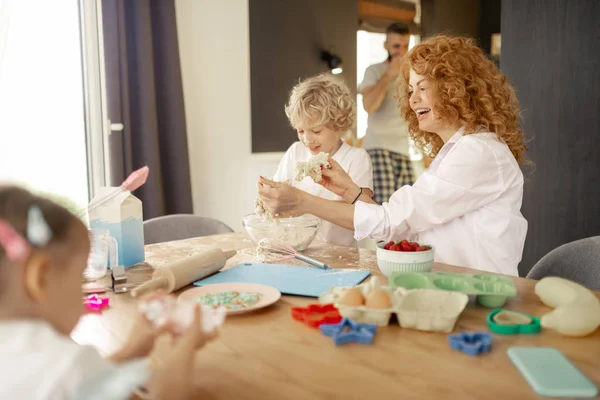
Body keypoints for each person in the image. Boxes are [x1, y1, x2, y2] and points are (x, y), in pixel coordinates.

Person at [258, 36, 529, 276]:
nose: (412, 100)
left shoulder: (477, 152)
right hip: (453, 286)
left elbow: (392, 222)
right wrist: (353, 192)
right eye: (411, 90)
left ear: (454, 88)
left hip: (480, 293)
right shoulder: (457, 151)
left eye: (423, 88)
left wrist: (301, 201)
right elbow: (404, 225)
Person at [0, 185, 216, 400]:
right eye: (80, 277)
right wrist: (184, 350)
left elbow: (86, 386)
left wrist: (133, 348)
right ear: (41, 278)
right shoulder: (68, 365)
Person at [273, 73, 373, 247]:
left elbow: (361, 214)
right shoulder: (296, 152)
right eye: (300, 131)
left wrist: (302, 204)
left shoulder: (356, 158)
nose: (307, 139)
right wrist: (271, 196)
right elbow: (279, 194)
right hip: (298, 249)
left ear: (339, 124)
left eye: (317, 131)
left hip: (342, 254)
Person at [359, 23, 415, 204]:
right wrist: (389, 75)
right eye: (396, 46)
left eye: (405, 46)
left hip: (403, 149)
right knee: (384, 207)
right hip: (378, 147)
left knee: (408, 207)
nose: (401, 51)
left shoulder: (411, 74)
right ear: (386, 46)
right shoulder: (374, 71)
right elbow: (369, 106)